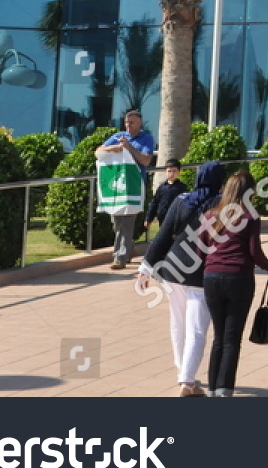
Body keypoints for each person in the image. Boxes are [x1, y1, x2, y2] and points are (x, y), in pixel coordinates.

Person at [138, 161, 225, 396]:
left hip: (172, 270)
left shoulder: (181, 200)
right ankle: (187, 381)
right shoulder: (221, 205)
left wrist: (146, 267)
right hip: (201, 273)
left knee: (178, 324)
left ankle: (183, 374)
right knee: (197, 329)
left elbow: (163, 236)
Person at [200, 170, 268, 398]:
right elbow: (254, 251)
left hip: (211, 278)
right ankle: (225, 389)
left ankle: (213, 387)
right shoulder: (250, 217)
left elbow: (200, 250)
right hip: (238, 278)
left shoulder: (209, 216)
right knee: (232, 338)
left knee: (218, 337)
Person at [96, 110, 155, 269]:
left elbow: (145, 160)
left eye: (132, 123)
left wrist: (128, 148)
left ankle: (119, 258)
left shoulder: (146, 139)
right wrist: (113, 148)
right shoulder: (118, 136)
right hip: (117, 188)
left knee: (126, 223)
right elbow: (98, 151)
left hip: (134, 187)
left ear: (140, 123)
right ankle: (129, 247)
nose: (129, 126)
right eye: (127, 123)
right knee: (117, 223)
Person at [144, 158, 189, 238]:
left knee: (174, 237)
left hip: (176, 218)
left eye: (174, 171)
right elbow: (155, 203)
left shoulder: (182, 188)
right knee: (164, 237)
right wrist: (149, 218)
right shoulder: (161, 188)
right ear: (165, 172)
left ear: (179, 172)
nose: (172, 173)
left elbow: (186, 204)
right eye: (169, 171)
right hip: (163, 218)